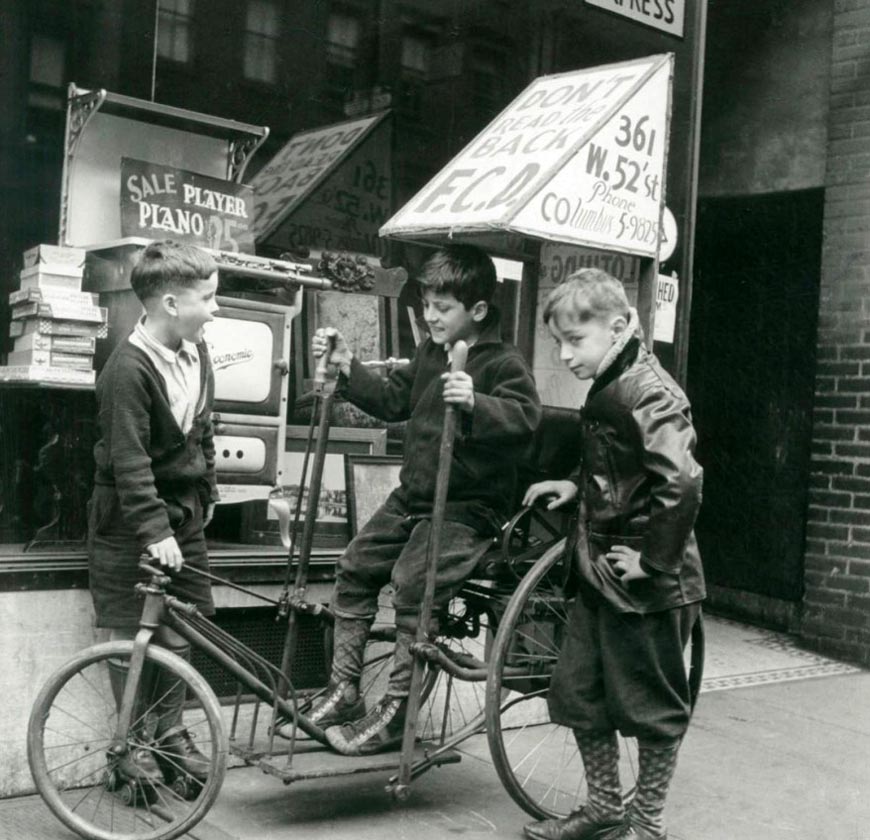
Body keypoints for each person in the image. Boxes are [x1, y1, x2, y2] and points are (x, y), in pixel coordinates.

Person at [297, 243, 542, 756]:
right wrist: (347, 366)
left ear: (478, 310)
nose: (430, 316)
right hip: (414, 498)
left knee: (412, 583)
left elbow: (525, 421)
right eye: (427, 304)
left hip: (468, 509)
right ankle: (344, 692)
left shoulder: (505, 363)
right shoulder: (433, 352)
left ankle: (398, 710)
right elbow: (393, 399)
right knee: (355, 565)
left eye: (442, 307)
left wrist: (477, 402)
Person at [522, 269, 705, 840]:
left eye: (575, 340)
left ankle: (646, 824)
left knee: (652, 710)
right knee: (579, 694)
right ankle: (604, 808)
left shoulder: (649, 390)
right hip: (598, 571)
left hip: (646, 585)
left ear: (619, 326)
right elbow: (623, 466)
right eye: (558, 342)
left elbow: (682, 482)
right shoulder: (613, 381)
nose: (565, 354)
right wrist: (576, 484)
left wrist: (653, 562)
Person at [87, 239, 221, 790]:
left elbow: (204, 430)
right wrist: (154, 531)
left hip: (182, 516)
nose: (215, 309)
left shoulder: (198, 352)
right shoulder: (127, 369)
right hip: (129, 518)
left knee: (183, 627)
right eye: (207, 298)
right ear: (170, 303)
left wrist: (207, 494)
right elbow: (129, 461)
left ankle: (170, 736)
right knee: (131, 631)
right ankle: (130, 747)